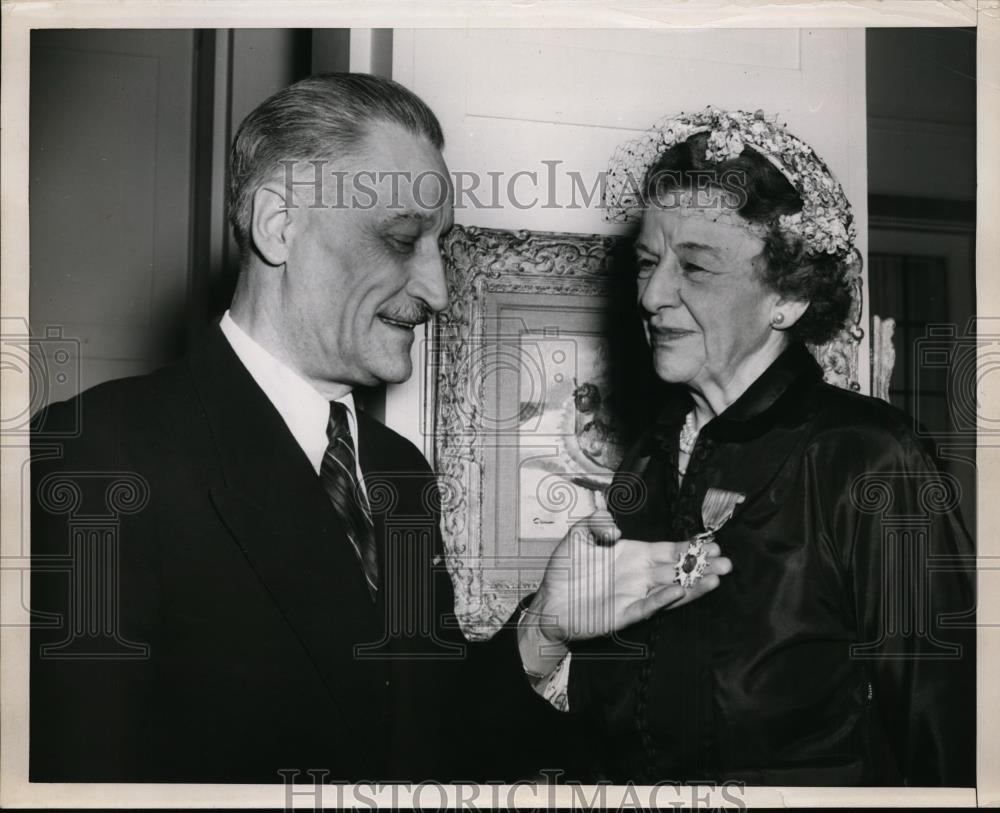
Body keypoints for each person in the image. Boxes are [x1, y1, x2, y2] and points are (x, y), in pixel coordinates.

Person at [29, 74, 731, 783]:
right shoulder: (107, 452)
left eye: (440, 246)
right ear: (279, 224)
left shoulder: (399, 472)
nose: (438, 290)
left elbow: (430, 740)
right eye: (401, 239)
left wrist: (541, 628)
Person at [518, 108, 976, 786]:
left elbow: (950, 743)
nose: (651, 293)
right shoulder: (650, 460)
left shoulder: (868, 456)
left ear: (787, 296)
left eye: (695, 267)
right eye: (648, 262)